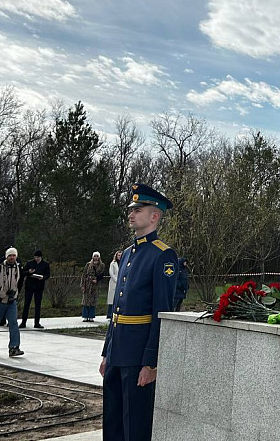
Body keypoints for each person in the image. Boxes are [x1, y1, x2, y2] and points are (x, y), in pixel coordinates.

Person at [100, 183, 178, 441]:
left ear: (154, 216)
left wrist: (151, 362)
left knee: (135, 426)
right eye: (131, 209)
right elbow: (117, 309)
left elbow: (161, 312)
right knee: (112, 423)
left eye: (138, 209)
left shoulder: (162, 256)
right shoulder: (128, 254)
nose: (131, 214)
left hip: (137, 356)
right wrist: (106, 352)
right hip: (116, 353)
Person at [0, 247, 24, 357]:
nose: (12, 257)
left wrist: (16, 293)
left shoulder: (19, 268)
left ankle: (14, 347)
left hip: (11, 301)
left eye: (14, 255)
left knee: (13, 323)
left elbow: (20, 282)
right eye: (10, 255)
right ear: (6, 257)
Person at [20, 249, 51, 329]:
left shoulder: (45, 264)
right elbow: (23, 273)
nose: (36, 259)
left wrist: (43, 277)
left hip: (39, 286)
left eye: (38, 257)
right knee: (27, 304)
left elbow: (48, 274)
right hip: (29, 286)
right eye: (35, 257)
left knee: (38, 305)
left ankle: (37, 322)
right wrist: (29, 272)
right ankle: (23, 322)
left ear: (41, 257)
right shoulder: (30, 263)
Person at [81, 251, 105, 322]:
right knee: (86, 300)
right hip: (87, 284)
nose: (96, 257)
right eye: (95, 256)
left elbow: (101, 275)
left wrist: (97, 279)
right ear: (92, 257)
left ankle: (91, 316)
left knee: (93, 301)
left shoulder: (102, 265)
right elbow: (84, 274)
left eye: (97, 256)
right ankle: (85, 316)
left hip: (95, 285)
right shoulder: (88, 264)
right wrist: (83, 285)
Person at [106, 250, 122, 318]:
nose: (119, 256)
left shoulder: (124, 263)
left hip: (121, 283)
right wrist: (117, 280)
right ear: (116, 256)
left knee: (119, 299)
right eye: (118, 255)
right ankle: (110, 315)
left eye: (121, 255)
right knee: (112, 300)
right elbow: (111, 273)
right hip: (114, 282)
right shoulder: (113, 263)